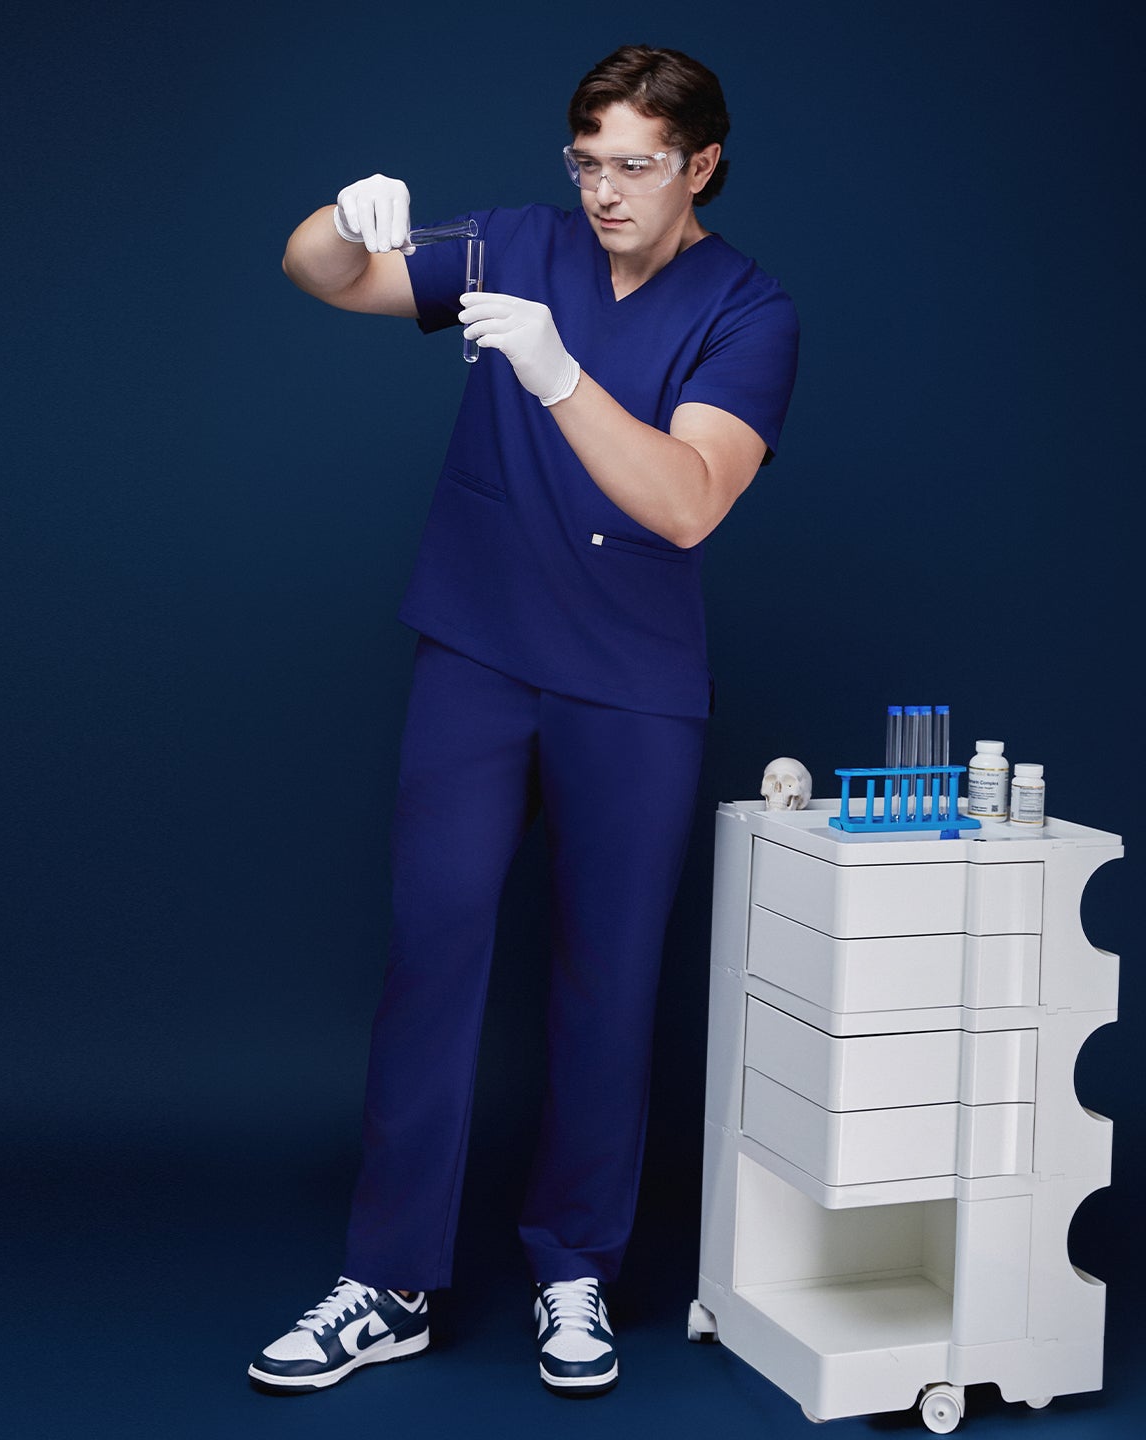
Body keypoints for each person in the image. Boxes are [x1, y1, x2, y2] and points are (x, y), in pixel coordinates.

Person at [249, 43, 798, 1399]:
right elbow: (326, 279)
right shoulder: (514, 244)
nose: (604, 192)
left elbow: (688, 501)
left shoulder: (750, 312)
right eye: (587, 162)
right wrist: (343, 221)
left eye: (635, 165)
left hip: (632, 683)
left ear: (701, 165)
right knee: (433, 950)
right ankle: (388, 1282)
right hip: (480, 656)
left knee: (609, 982)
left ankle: (574, 1268)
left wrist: (557, 377)